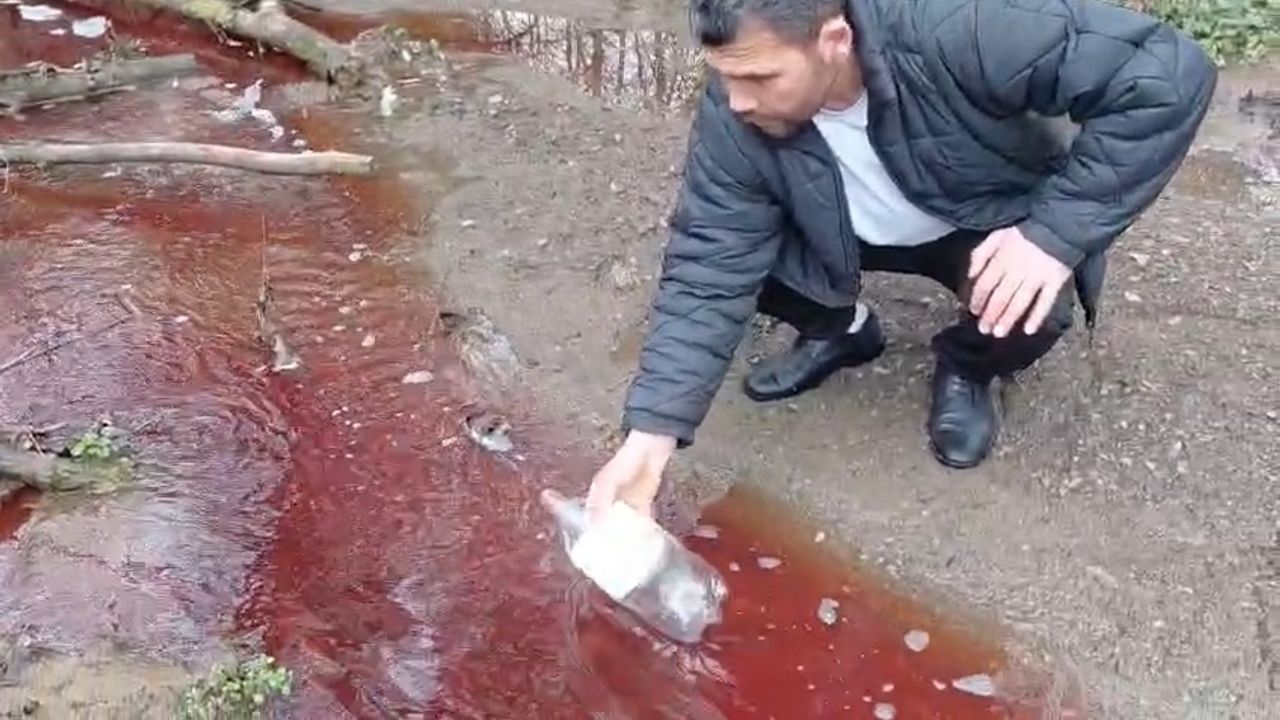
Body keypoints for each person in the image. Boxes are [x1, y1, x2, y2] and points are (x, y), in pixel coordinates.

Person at [586, 0, 1216, 519]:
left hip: (976, 219)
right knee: (739, 261)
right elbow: (709, 264)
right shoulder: (734, 111)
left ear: (834, 40)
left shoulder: (959, 25)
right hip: (838, 230)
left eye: (759, 78)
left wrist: (1054, 235)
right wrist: (650, 439)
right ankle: (842, 329)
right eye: (725, 76)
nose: (737, 101)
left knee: (1035, 307)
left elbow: (1167, 74)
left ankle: (966, 367)